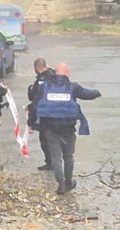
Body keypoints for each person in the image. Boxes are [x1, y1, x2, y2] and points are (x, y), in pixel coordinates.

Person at [35, 62, 100, 195]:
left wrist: (32, 123)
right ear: (67, 74)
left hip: (50, 128)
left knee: (55, 157)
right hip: (68, 128)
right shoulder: (72, 87)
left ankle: (61, 184)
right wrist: (97, 92)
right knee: (68, 156)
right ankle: (69, 181)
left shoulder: (45, 85)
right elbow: (88, 94)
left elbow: (36, 102)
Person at [26, 57, 57, 171]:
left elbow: (36, 100)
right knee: (51, 139)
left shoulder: (41, 81)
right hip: (55, 113)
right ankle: (53, 161)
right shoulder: (54, 77)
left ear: (37, 68)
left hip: (45, 115)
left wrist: (31, 120)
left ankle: (51, 162)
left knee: (45, 139)